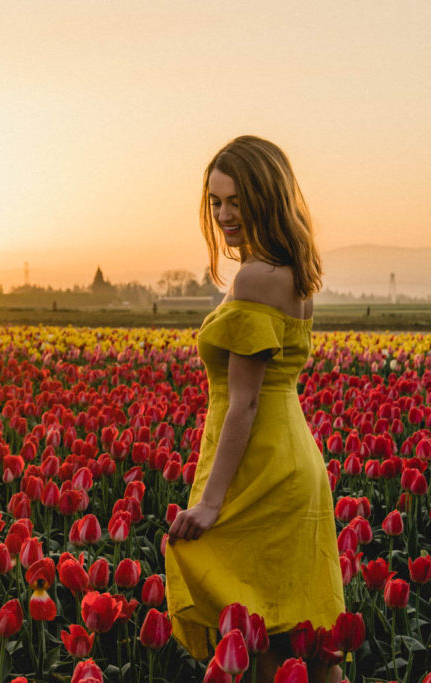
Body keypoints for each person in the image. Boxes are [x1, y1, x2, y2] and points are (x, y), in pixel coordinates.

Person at [164, 136, 345, 682]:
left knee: (260, 631)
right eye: (216, 201)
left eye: (236, 200)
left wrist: (212, 503)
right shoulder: (294, 274)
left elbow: (243, 402)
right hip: (293, 458)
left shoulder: (255, 278)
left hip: (259, 467)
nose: (223, 215)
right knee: (298, 635)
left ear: (267, 197)